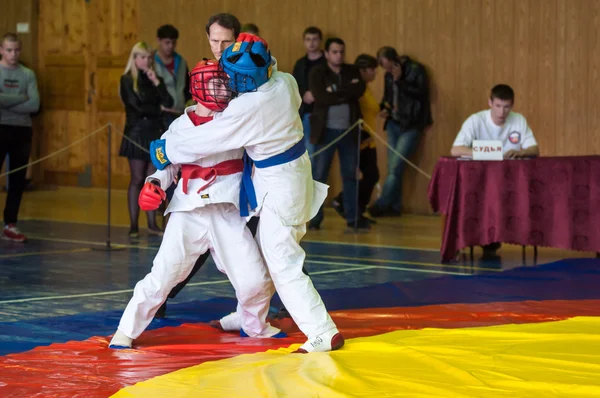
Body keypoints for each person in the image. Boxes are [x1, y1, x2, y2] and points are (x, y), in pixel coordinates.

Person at [150, 33, 344, 353]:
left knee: (282, 261)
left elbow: (210, 139)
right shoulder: (285, 81)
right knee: (258, 253)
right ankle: (246, 314)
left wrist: (167, 149)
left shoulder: (252, 105)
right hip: (285, 176)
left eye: (231, 75)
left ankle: (322, 330)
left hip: (280, 186)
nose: (226, 80)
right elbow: (267, 72)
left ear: (244, 79)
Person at [109, 59, 284, 349]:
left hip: (227, 212)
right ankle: (125, 332)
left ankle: (253, 325)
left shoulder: (236, 120)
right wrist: (153, 183)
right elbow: (166, 164)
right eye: (216, 83)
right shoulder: (179, 126)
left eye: (225, 84)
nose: (223, 90)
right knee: (163, 276)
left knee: (255, 280)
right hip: (187, 212)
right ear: (198, 87)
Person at [451, 84, 539, 257]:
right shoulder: (475, 120)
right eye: (498, 106)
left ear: (512, 105)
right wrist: (487, 152)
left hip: (508, 183)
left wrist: (522, 152)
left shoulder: (518, 120)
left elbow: (535, 149)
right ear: (490, 103)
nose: (502, 112)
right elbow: (456, 150)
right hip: (479, 182)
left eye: (506, 107)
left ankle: (496, 239)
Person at [307, 38, 368, 231]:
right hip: (325, 132)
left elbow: (358, 90)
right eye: (334, 52)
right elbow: (321, 96)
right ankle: (315, 219)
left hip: (348, 132)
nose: (339, 55)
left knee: (350, 175)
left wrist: (334, 92)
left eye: (341, 52)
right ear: (327, 54)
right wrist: (342, 93)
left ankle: (353, 218)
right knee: (319, 175)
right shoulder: (317, 72)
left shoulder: (352, 71)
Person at [368, 47, 432, 218]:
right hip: (394, 124)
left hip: (411, 125)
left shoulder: (415, 70)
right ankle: (394, 207)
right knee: (393, 168)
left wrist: (399, 81)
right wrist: (383, 109)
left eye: (389, 66)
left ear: (395, 60)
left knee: (396, 167)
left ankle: (382, 204)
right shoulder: (388, 75)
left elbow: (421, 94)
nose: (388, 71)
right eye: (384, 68)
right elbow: (387, 97)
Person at [118, 41, 173, 238]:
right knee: (137, 178)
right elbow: (135, 107)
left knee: (152, 179)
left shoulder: (154, 78)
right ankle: (133, 224)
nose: (147, 61)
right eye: (142, 57)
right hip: (136, 132)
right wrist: (157, 110)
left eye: (149, 57)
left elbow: (169, 102)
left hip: (154, 132)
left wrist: (157, 83)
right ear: (134, 59)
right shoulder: (126, 80)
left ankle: (151, 223)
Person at [0, 33, 40, 242]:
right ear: (1, 50)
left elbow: (34, 104)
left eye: (16, 50)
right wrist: (20, 98)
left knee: (17, 180)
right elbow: (26, 100)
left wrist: (5, 100)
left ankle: (10, 223)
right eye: (8, 50)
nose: (13, 54)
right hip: (1, 127)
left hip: (22, 130)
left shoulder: (28, 74)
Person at [331, 54, 380, 222]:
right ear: (363, 70)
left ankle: (358, 210)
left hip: (370, 139)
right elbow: (354, 113)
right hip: (360, 138)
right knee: (366, 175)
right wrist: (361, 134)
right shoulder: (357, 89)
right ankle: (342, 202)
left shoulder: (366, 87)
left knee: (372, 175)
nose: (375, 73)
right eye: (372, 70)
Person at [291, 26, 325, 157]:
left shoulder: (327, 62)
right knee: (308, 152)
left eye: (315, 39)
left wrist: (316, 94)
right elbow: (294, 85)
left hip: (324, 113)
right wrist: (303, 94)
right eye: (308, 39)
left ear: (320, 41)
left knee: (322, 153)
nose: (311, 43)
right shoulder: (300, 63)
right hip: (305, 113)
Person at [153, 24, 192, 129]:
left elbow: (187, 87)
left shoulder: (181, 62)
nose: (170, 46)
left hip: (179, 113)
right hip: (159, 115)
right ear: (158, 40)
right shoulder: (151, 62)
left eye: (173, 43)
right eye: (167, 42)